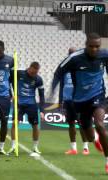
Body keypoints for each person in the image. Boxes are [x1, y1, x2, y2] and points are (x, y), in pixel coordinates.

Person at [51, 33, 108, 173]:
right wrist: (52, 92)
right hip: (80, 101)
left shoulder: (105, 55)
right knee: (88, 134)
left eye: (97, 46)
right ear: (86, 45)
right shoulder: (74, 58)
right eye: (91, 46)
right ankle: (94, 139)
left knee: (100, 124)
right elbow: (58, 73)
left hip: (98, 95)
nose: (94, 49)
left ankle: (107, 162)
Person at [8, 62, 45, 155]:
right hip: (19, 103)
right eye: (33, 72)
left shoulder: (38, 79)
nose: (34, 74)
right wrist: (11, 94)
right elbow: (7, 79)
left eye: (36, 72)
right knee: (14, 124)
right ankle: (13, 146)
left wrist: (42, 111)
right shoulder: (19, 74)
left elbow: (42, 96)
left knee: (35, 126)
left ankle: (35, 147)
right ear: (30, 68)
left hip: (31, 105)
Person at [60, 47, 89, 155]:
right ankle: (73, 148)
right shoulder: (65, 69)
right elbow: (62, 85)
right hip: (67, 100)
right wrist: (60, 100)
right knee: (71, 124)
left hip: (79, 100)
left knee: (82, 123)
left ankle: (85, 147)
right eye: (70, 54)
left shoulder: (81, 67)